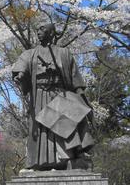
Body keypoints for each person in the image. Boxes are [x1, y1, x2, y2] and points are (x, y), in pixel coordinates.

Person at [12, 23, 94, 170]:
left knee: (65, 126)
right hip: (40, 97)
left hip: (60, 95)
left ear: (51, 33)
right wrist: (20, 75)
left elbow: (75, 77)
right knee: (42, 128)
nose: (38, 32)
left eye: (42, 29)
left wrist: (81, 96)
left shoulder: (64, 53)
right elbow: (22, 67)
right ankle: (40, 162)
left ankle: (67, 159)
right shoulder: (30, 53)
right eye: (37, 29)